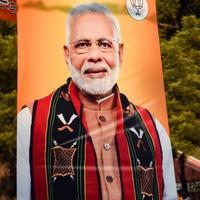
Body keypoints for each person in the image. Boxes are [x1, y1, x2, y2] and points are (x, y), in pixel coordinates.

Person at [17, 3, 177, 200]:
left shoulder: (155, 130)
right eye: (83, 45)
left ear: (119, 53)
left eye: (104, 44)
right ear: (68, 54)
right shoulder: (30, 123)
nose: (94, 56)